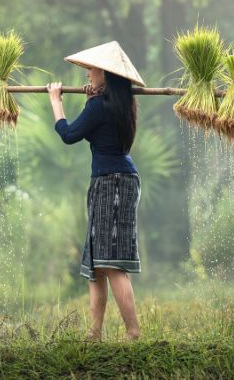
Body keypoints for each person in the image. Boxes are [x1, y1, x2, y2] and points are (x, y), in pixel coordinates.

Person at [46, 40, 146, 342]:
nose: (87, 73)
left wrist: (55, 100)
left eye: (92, 69)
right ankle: (94, 332)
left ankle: (133, 332)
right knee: (96, 263)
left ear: (105, 73)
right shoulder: (120, 104)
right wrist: (92, 99)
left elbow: (69, 134)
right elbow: (96, 122)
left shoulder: (99, 107)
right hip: (116, 180)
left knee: (110, 263)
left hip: (112, 183)